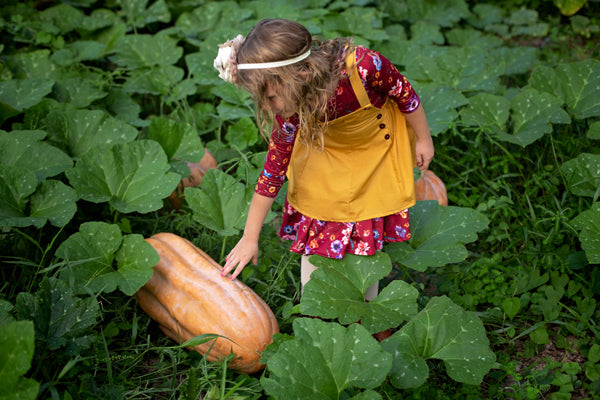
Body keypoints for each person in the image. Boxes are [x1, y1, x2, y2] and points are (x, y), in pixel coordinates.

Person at [214, 19, 434, 301]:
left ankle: (367, 307)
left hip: (372, 150)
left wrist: (424, 138)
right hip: (324, 154)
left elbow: (405, 96)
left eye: (271, 98)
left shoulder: (365, 67)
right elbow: (271, 173)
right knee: (318, 219)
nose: (270, 108)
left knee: (364, 231)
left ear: (299, 75)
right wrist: (249, 238)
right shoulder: (289, 116)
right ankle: (314, 304)